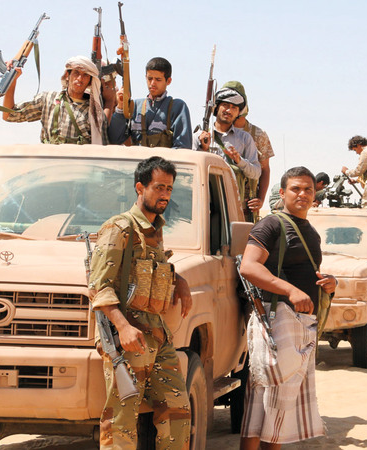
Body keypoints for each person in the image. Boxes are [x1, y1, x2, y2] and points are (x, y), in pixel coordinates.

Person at [88, 156, 193, 448]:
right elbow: (99, 286)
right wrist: (122, 327)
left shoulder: (154, 229)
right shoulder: (120, 228)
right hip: (127, 336)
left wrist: (179, 280)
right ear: (140, 188)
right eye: (159, 187)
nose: (165, 195)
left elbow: (150, 270)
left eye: (169, 189)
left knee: (177, 412)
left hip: (156, 334)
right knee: (121, 419)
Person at [239, 166, 336, 449]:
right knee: (267, 406)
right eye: (295, 189)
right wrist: (291, 291)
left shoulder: (311, 233)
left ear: (315, 195)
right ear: (282, 193)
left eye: (308, 189)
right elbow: (249, 266)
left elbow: (305, 271)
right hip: (276, 321)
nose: (302, 194)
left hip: (300, 326)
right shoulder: (271, 225)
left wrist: (330, 282)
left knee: (275, 409)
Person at [2, 55, 115, 144]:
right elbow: (9, 115)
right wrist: (12, 80)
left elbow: (101, 147)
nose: (80, 79)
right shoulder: (48, 99)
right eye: (76, 73)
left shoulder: (94, 113)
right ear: (67, 76)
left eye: (85, 75)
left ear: (90, 81)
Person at [196, 86, 261, 221]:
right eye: (225, 105)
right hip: (204, 204)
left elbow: (256, 172)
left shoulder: (245, 139)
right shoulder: (199, 136)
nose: (229, 110)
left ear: (238, 113)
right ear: (216, 108)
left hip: (234, 207)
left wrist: (239, 161)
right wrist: (203, 150)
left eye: (234, 108)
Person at [108, 57, 193, 149]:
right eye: (150, 78)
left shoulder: (177, 107)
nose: (152, 83)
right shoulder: (135, 106)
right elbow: (114, 139)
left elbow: (182, 147)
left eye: (158, 79)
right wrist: (120, 107)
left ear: (168, 81)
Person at [224, 81, 276, 219]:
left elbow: (265, 169)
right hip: (219, 199)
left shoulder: (258, 135)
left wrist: (261, 199)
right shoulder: (214, 133)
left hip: (247, 205)